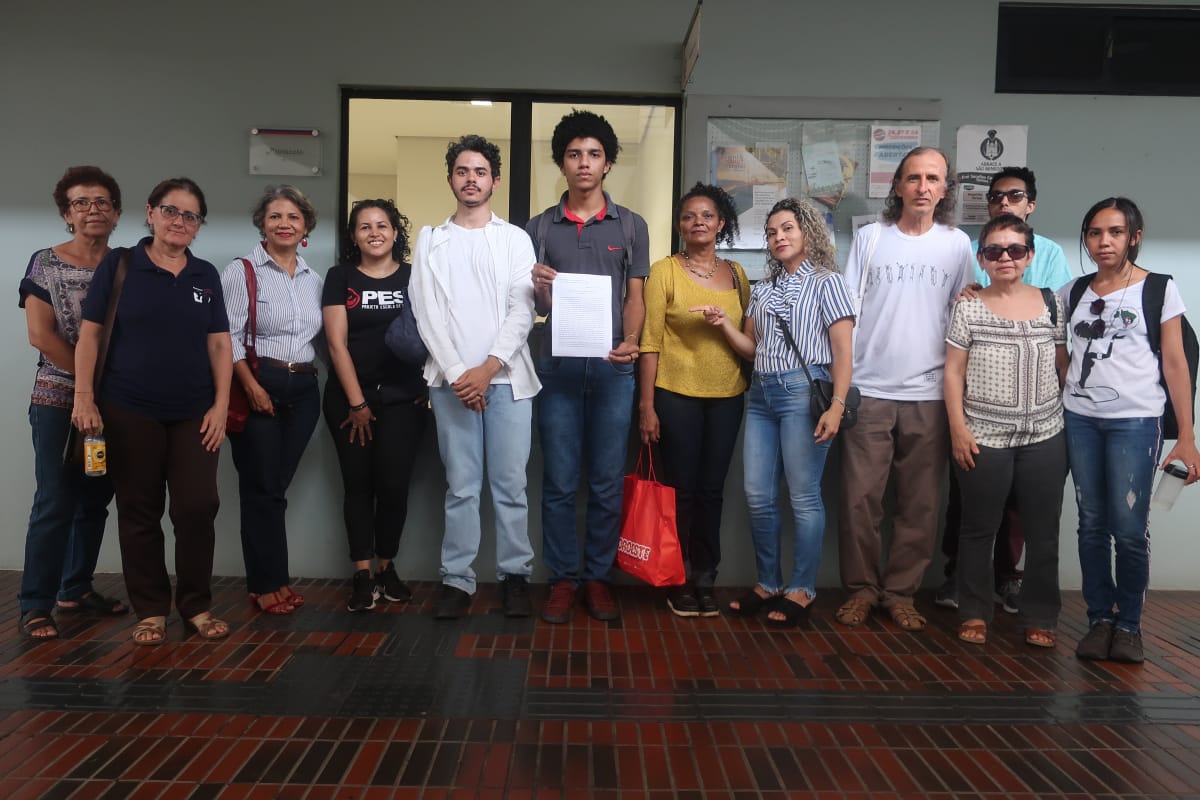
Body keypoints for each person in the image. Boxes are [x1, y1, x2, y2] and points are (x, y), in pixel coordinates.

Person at [72, 177, 232, 646]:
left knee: (197, 507)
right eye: (171, 211)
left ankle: (197, 606)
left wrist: (221, 407)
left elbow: (220, 344)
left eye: (190, 215)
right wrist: (84, 396)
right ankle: (151, 611)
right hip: (129, 409)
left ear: (199, 225)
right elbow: (91, 335)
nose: (179, 221)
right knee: (139, 511)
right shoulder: (121, 266)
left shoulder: (205, 275)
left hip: (194, 413)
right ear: (150, 213)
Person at [696, 198, 855, 626]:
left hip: (805, 395)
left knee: (803, 498)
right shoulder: (763, 289)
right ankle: (768, 583)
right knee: (757, 496)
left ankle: (801, 589)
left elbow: (843, 352)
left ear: (806, 232)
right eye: (771, 232)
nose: (778, 237)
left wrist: (837, 405)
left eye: (787, 228)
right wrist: (725, 325)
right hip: (762, 395)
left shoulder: (828, 282)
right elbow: (754, 349)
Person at [837, 147, 974, 631]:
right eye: (913, 177)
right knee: (859, 500)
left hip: (931, 395)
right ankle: (860, 591)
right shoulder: (871, 238)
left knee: (920, 504)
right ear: (897, 186)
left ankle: (899, 594)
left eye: (932, 178)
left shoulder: (958, 245)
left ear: (944, 189)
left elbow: (965, 315)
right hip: (869, 390)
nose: (922, 186)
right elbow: (847, 315)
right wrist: (843, 384)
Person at [1063, 197, 1199, 663]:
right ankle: (1099, 619)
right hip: (1079, 419)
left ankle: (1129, 626)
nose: (1104, 241)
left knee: (1128, 528)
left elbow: (1177, 363)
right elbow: (1045, 334)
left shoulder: (1159, 289)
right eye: (1096, 232)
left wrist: (1187, 436)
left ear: (1134, 237)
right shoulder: (1075, 290)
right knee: (1091, 524)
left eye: (1115, 232)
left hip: (1136, 422)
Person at [527, 109, 650, 624]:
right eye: (574, 154)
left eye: (594, 154)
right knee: (557, 482)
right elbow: (531, 309)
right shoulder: (537, 228)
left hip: (611, 372)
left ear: (607, 164)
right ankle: (562, 579)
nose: (584, 163)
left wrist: (631, 341)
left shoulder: (630, 225)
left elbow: (636, 297)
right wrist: (539, 288)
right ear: (561, 162)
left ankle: (597, 578)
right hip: (555, 370)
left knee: (603, 481)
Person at [411, 134, 539, 620]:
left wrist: (487, 370)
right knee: (461, 485)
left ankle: (514, 576)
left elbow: (522, 310)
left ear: (495, 181)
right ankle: (457, 580)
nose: (471, 179)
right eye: (462, 171)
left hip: (507, 382)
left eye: (480, 171)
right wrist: (460, 374)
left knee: (509, 485)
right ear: (450, 179)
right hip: (450, 385)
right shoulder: (430, 240)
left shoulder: (514, 239)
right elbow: (426, 314)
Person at [938, 166, 1074, 612]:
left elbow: (1062, 362)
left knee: (1040, 529)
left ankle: (1039, 613)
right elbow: (953, 371)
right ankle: (973, 608)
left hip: (1043, 434)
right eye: (994, 250)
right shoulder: (970, 305)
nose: (1006, 257)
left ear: (1031, 255)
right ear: (982, 257)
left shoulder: (1052, 301)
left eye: (1016, 250)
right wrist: (958, 428)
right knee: (976, 525)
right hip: (985, 434)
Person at [17, 166, 128, 640]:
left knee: (96, 498)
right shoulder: (45, 262)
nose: (93, 210)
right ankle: (35, 603)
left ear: (118, 213)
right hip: (59, 398)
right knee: (54, 501)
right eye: (81, 203)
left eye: (102, 202)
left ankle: (75, 588)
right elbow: (40, 335)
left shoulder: (128, 265)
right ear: (66, 213)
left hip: (116, 401)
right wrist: (89, 385)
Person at [638, 183, 749, 617]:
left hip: (727, 396)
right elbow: (650, 342)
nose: (697, 223)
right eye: (689, 217)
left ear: (721, 223)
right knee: (679, 492)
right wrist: (646, 407)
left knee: (711, 492)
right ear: (680, 225)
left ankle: (707, 578)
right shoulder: (664, 270)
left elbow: (748, 339)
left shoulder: (738, 275)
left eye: (706, 216)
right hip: (675, 395)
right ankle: (678, 578)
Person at [322, 199, 428, 613]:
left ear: (395, 231)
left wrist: (428, 383)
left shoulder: (415, 277)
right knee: (358, 486)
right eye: (364, 227)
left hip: (404, 398)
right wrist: (357, 402)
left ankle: (387, 566)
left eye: (382, 225)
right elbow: (336, 344)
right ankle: (362, 573)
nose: (374, 232)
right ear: (353, 236)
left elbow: (438, 329)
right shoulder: (339, 277)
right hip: (350, 400)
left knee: (394, 486)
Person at [221, 186, 323, 615]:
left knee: (274, 489)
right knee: (261, 488)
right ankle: (266, 585)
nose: (284, 223)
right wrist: (252, 386)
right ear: (262, 223)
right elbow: (227, 337)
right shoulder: (242, 270)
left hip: (304, 390)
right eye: (275, 216)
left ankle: (275, 578)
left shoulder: (313, 278)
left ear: (305, 227)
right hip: (257, 385)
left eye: (293, 217)